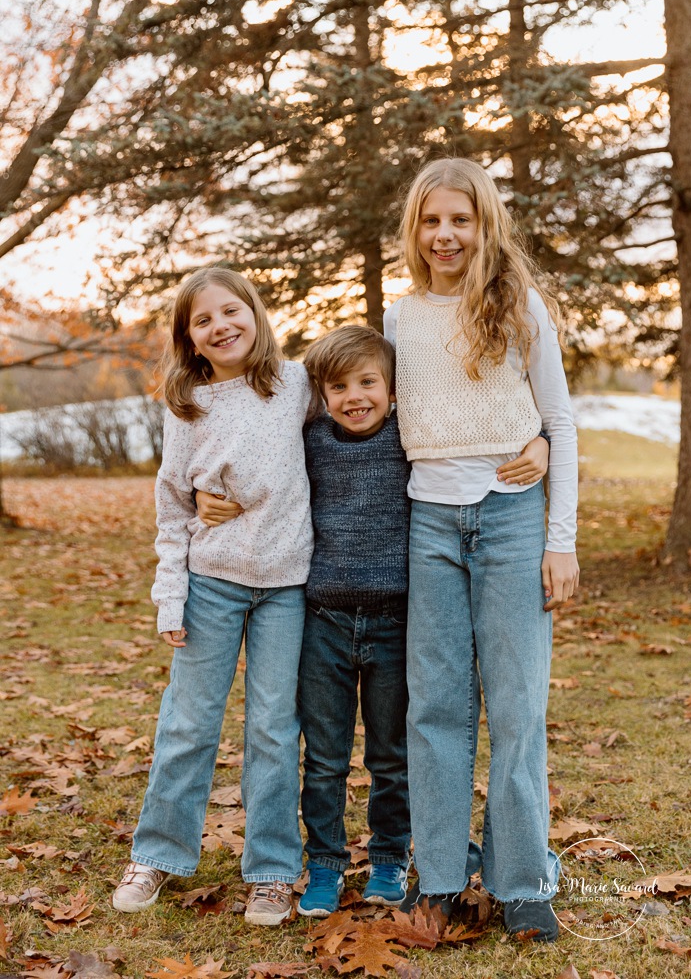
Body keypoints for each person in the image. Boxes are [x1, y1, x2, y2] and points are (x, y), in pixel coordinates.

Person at [198, 325, 550, 920]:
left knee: (391, 755)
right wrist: (200, 492)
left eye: (368, 382)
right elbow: (249, 455)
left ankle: (390, 856)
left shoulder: (410, 437)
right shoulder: (307, 438)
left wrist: (539, 437)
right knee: (326, 755)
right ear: (319, 395)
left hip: (395, 624)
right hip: (323, 622)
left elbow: (473, 425)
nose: (354, 396)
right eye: (338, 386)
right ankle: (327, 864)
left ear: (393, 389)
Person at [384, 157, 579, 941]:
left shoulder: (520, 307)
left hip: (509, 519)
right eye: (431, 221)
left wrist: (558, 541)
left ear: (484, 225)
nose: (444, 235)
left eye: (459, 220)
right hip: (429, 523)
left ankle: (522, 879)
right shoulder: (401, 318)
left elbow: (558, 424)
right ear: (414, 229)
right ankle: (435, 876)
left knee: (517, 703)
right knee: (434, 705)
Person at [111, 267, 314, 927]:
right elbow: (173, 508)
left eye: (232, 311)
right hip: (213, 584)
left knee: (273, 731)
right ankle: (157, 854)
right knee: (188, 724)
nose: (221, 326)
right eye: (203, 320)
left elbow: (362, 411)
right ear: (190, 339)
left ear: (255, 315)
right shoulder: (189, 405)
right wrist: (170, 598)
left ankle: (273, 872)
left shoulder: (296, 384)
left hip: (286, 587)